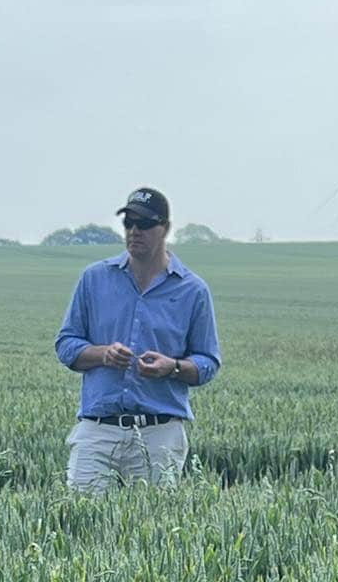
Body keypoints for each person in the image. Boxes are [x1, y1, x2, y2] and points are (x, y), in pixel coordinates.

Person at [53, 187, 221, 490]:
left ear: (165, 229)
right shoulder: (94, 278)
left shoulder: (193, 290)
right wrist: (102, 354)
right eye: (128, 223)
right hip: (98, 430)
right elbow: (66, 344)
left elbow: (208, 362)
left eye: (144, 224)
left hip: (160, 433)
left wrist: (172, 367)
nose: (134, 231)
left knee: (154, 528)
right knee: (80, 521)